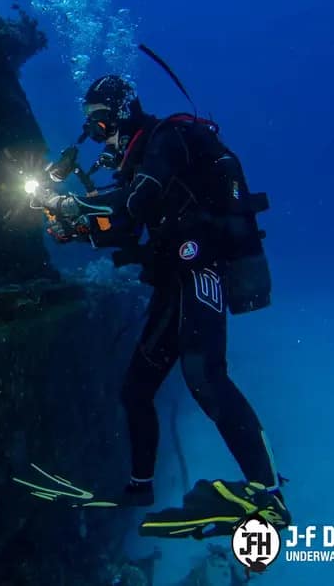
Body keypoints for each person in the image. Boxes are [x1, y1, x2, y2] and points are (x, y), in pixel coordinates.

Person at [40, 74, 288, 525]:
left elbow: (138, 201)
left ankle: (268, 493)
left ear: (122, 112)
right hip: (174, 279)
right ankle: (141, 487)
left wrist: (77, 205)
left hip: (203, 266)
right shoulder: (136, 162)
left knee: (204, 375)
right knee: (136, 390)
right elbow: (127, 227)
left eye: (100, 122)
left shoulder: (166, 138)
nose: (96, 133)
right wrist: (76, 230)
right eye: (90, 124)